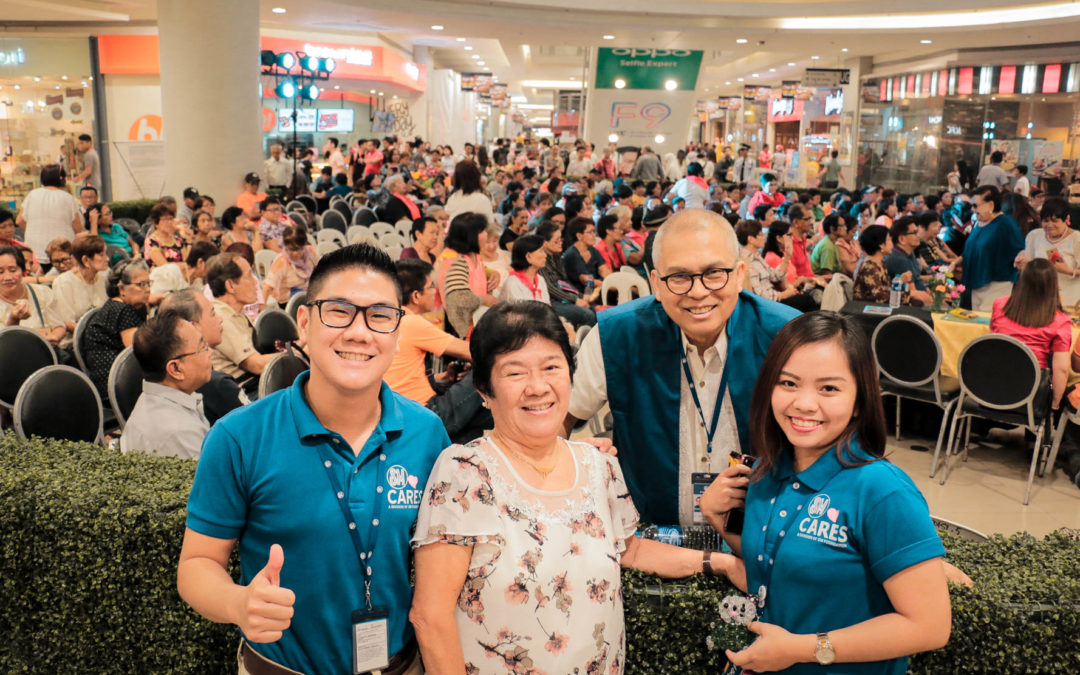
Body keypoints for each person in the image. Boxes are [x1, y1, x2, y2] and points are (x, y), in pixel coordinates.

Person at [409, 301, 744, 674]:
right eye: (515, 373)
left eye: (552, 367)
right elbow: (430, 616)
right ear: (485, 391)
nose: (538, 387)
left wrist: (721, 563)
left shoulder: (597, 463)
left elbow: (630, 550)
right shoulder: (466, 472)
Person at [179, 245, 448, 675]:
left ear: (398, 333)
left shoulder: (426, 433)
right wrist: (237, 602)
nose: (360, 332)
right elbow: (197, 564)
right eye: (339, 311)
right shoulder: (239, 437)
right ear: (304, 322)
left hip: (401, 664)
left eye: (380, 315)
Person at [701, 311, 950, 674]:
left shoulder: (882, 490)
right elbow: (779, 559)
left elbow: (930, 626)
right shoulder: (765, 473)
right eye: (788, 383)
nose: (804, 403)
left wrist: (802, 649)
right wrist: (716, 519)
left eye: (829, 388)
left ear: (860, 401)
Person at [565, 210, 799, 526]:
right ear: (656, 283)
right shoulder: (615, 337)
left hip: (762, 537)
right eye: (679, 277)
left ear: (740, 274)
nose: (698, 292)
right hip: (651, 539)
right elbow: (560, 420)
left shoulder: (786, 337)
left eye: (715, 272)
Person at [386, 259, 490, 442]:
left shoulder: (392, 320)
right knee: (489, 365)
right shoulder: (412, 323)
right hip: (426, 412)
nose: (436, 292)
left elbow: (404, 378)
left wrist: (445, 377)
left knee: (484, 416)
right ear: (416, 296)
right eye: (431, 286)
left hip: (405, 413)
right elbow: (473, 352)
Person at [121, 311, 213, 459]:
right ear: (175, 369)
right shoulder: (178, 432)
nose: (210, 352)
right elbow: (212, 480)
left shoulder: (163, 401)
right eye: (202, 347)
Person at [158, 289, 248, 425]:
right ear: (192, 327)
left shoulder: (161, 381)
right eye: (212, 313)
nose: (220, 318)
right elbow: (256, 432)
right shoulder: (217, 385)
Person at [206, 252, 276, 387]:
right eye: (249, 276)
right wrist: (299, 354)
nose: (256, 282)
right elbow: (256, 365)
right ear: (230, 285)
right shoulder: (221, 319)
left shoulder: (234, 312)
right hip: (247, 392)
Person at [84, 259, 150, 397]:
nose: (148, 289)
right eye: (141, 285)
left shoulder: (137, 306)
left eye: (149, 283)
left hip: (127, 373)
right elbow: (136, 350)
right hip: (113, 380)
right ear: (121, 288)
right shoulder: (121, 309)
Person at [959, 185, 1025, 311]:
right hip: (975, 282)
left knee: (988, 323)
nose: (973, 210)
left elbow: (1020, 249)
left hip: (996, 284)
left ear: (990, 205)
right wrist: (956, 262)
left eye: (975, 206)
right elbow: (970, 250)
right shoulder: (979, 223)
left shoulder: (1006, 224)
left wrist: (1020, 258)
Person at [435, 213, 498, 337]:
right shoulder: (451, 260)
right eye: (482, 231)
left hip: (476, 321)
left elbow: (477, 270)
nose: (486, 234)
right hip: (455, 329)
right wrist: (484, 299)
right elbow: (457, 300)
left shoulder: (473, 254)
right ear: (470, 236)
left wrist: (493, 273)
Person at [736, 219, 813, 311]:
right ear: (751, 239)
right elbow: (759, 295)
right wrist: (784, 294)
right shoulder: (747, 262)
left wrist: (787, 256)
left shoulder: (756, 256)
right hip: (766, 307)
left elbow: (776, 276)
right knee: (807, 300)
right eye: (760, 235)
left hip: (772, 300)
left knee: (806, 298)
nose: (764, 237)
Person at [1016, 197, 1080, 306]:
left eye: (1055, 220)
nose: (1049, 225)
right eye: (1045, 221)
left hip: (1069, 299)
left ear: (1067, 219)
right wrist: (1022, 264)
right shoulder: (1034, 236)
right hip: (1039, 297)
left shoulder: (1077, 239)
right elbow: (1029, 265)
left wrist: (1068, 271)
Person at [0, 245, 66, 348]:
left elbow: (59, 326)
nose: (7, 277)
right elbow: (4, 345)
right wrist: (13, 321)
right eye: (0, 272)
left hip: (44, 352)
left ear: (23, 271)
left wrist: (54, 337)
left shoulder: (43, 293)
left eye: (13, 270)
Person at [16, 164, 81, 265]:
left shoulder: (32, 195)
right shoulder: (68, 198)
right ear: (62, 179)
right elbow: (78, 228)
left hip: (34, 253)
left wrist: (36, 228)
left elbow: (19, 221)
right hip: (62, 255)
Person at [535, 221, 595, 328]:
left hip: (564, 296)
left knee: (594, 308)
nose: (560, 242)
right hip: (551, 301)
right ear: (545, 243)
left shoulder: (557, 256)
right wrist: (575, 300)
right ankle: (586, 343)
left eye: (561, 239)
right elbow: (550, 288)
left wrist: (580, 296)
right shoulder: (540, 259)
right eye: (556, 240)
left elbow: (565, 281)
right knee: (587, 314)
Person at [51, 233, 109, 337]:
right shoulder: (64, 283)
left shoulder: (103, 279)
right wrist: (97, 334)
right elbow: (67, 323)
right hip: (74, 341)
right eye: (102, 255)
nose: (107, 259)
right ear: (85, 260)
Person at [853, 225, 911, 305]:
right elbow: (880, 298)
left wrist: (900, 281)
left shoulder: (881, 262)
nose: (892, 243)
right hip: (866, 310)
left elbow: (886, 288)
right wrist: (906, 295)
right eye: (889, 240)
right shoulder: (869, 267)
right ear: (881, 245)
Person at [263, 224, 318, 304]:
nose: (295, 253)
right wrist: (261, 308)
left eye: (299, 249)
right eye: (291, 249)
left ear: (304, 245)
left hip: (309, 295)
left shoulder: (310, 252)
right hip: (289, 302)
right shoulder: (281, 261)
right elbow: (267, 287)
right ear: (286, 247)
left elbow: (323, 270)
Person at [884, 217, 933, 306]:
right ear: (902, 239)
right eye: (914, 233)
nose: (919, 236)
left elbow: (917, 278)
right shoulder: (899, 260)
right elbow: (913, 292)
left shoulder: (909, 253)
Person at [561, 217, 610, 295]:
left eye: (594, 231)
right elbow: (585, 280)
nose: (594, 235)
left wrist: (612, 281)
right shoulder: (572, 254)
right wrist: (608, 285)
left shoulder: (592, 250)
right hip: (581, 294)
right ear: (579, 236)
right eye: (590, 232)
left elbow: (604, 270)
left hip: (596, 290)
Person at [499, 234, 551, 303]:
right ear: (528, 256)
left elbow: (548, 306)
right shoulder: (513, 284)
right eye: (541, 251)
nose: (545, 255)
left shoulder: (540, 279)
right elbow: (520, 312)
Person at [144, 202, 189, 269]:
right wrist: (184, 265)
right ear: (156, 223)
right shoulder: (151, 241)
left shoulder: (177, 240)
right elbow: (164, 266)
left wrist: (189, 241)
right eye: (165, 219)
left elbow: (188, 262)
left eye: (171, 218)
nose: (169, 222)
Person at [479, 223, 512, 289]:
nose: (491, 246)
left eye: (494, 241)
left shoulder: (503, 254)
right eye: (487, 242)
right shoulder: (476, 261)